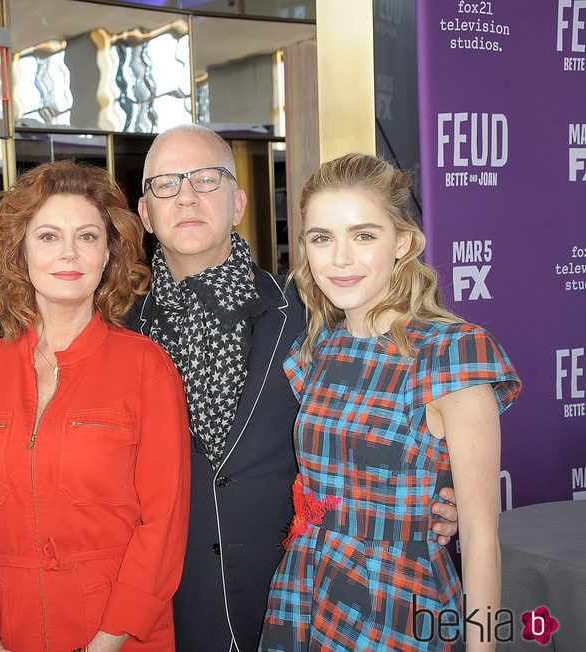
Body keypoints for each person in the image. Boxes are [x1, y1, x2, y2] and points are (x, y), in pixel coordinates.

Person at [132, 124, 460, 652]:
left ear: (239, 203)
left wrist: (450, 491)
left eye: (206, 179)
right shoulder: (120, 333)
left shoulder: (319, 310)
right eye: (166, 183)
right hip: (169, 608)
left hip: (308, 600)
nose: (187, 195)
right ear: (145, 213)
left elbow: (418, 402)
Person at [260, 153, 520, 651]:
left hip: (398, 601)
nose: (340, 259)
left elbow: (483, 540)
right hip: (306, 586)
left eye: (363, 235)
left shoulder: (450, 353)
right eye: (322, 238)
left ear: (402, 242)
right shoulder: (318, 351)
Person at [0, 160, 191, 652]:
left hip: (119, 633)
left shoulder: (146, 368)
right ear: (20, 251)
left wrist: (105, 643)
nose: (69, 253)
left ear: (108, 253)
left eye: (87, 236)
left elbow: (164, 524)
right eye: (48, 236)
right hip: (5, 631)